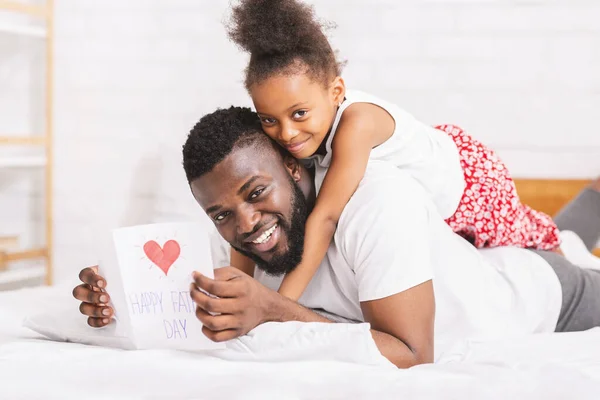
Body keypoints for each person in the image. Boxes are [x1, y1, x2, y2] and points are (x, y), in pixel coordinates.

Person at [73, 106, 600, 368]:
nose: (247, 224)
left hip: (538, 292)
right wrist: (117, 295)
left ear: (293, 164)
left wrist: (271, 309)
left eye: (257, 192)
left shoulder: (375, 200)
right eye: (221, 214)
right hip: (490, 259)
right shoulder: (237, 236)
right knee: (561, 233)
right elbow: (191, 293)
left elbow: (412, 352)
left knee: (561, 250)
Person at [223, 0, 562, 301]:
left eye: (299, 114)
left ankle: (572, 259)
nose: (286, 132)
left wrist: (280, 306)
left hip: (470, 182)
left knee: (534, 240)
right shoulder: (293, 131)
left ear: (336, 91)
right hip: (434, 188)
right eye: (269, 119)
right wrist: (234, 285)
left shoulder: (357, 124)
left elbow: (325, 218)